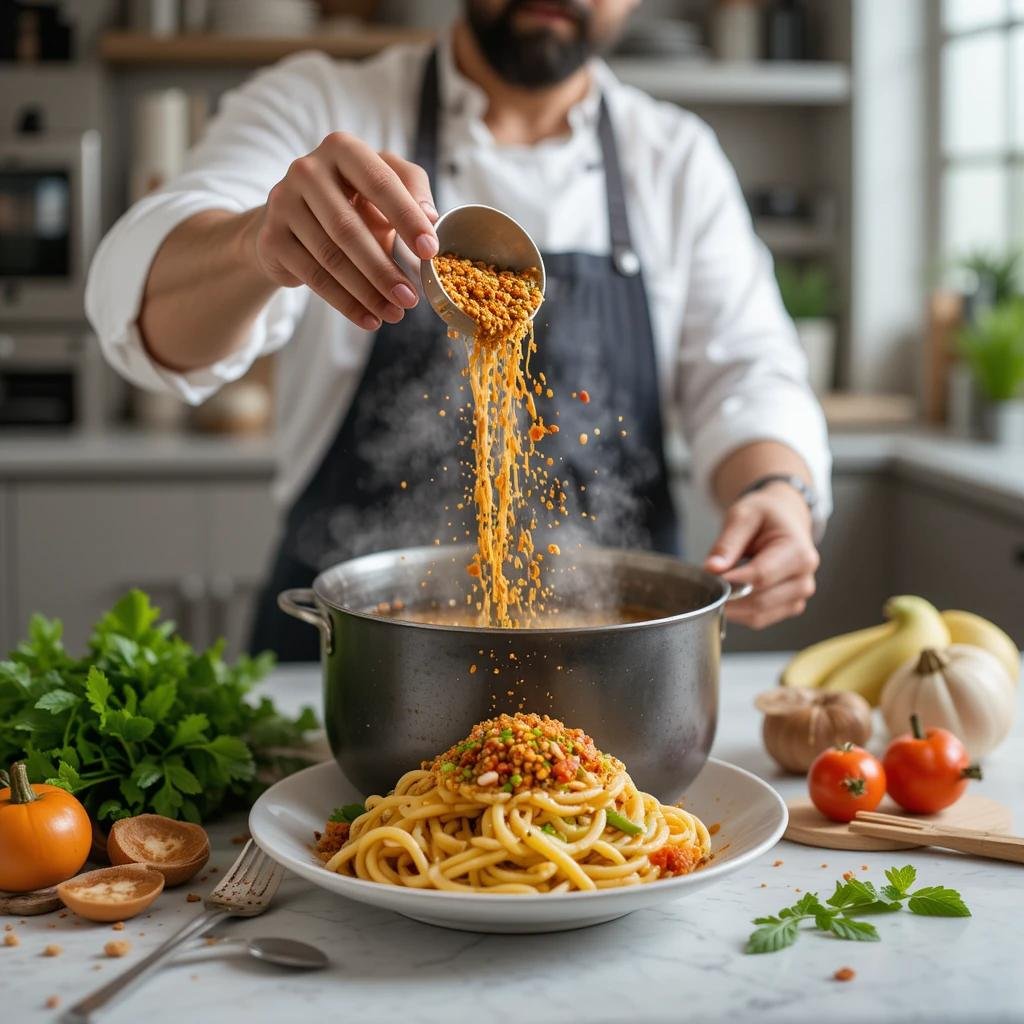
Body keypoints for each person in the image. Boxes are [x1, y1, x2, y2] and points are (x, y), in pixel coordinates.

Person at [86, 0, 831, 660]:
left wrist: (777, 490)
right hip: (355, 661)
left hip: (613, 664)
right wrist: (256, 242)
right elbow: (147, 311)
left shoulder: (675, 158)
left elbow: (750, 369)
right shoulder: (320, 103)